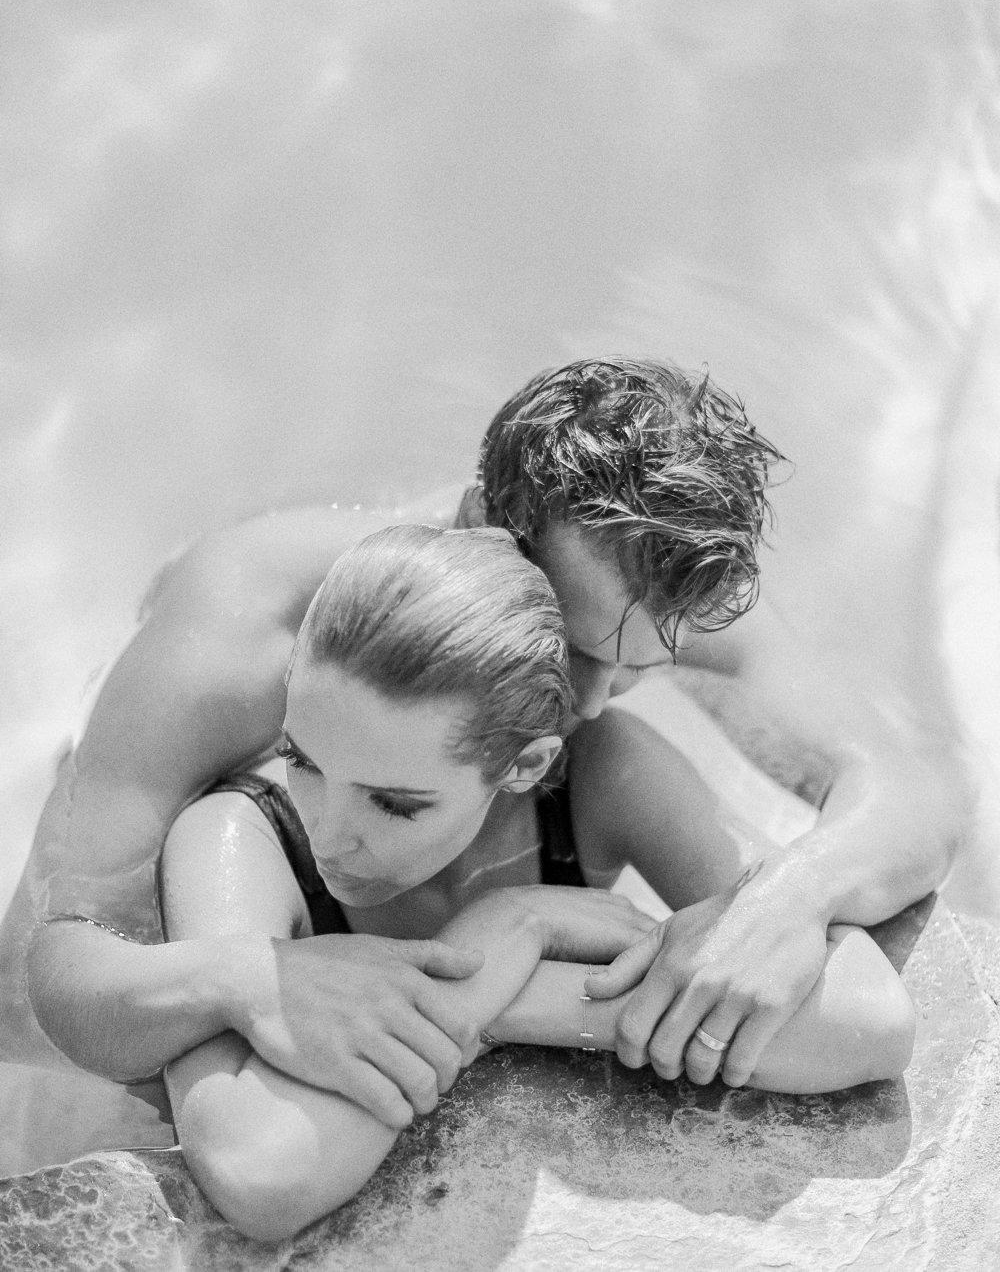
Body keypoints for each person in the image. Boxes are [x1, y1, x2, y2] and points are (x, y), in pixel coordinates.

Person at [28, 356, 968, 1129]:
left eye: (638, 666)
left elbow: (914, 784)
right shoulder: (243, 637)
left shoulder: (630, 584)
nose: (591, 705)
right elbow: (63, 957)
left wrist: (788, 898)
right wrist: (248, 977)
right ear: (486, 520)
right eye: (578, 650)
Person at [157, 525, 913, 1243]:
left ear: (523, 765)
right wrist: (495, 958)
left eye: (395, 802)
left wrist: (494, 965)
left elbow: (868, 1014)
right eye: (304, 757)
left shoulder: (598, 774)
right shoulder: (242, 837)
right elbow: (257, 1170)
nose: (328, 831)